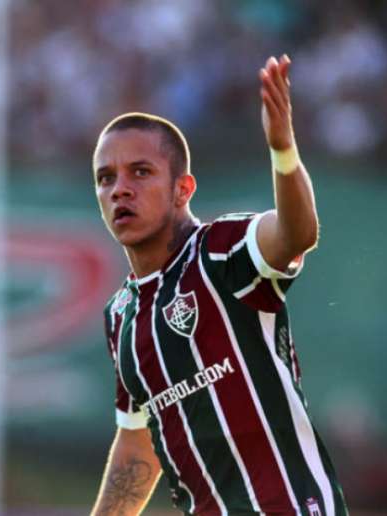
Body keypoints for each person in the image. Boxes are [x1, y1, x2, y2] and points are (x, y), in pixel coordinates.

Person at [90, 54, 347, 516]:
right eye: (106, 179)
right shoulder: (120, 316)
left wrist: (283, 150)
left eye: (140, 172)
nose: (119, 189)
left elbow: (297, 234)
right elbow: (136, 443)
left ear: (183, 189)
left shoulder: (221, 251)